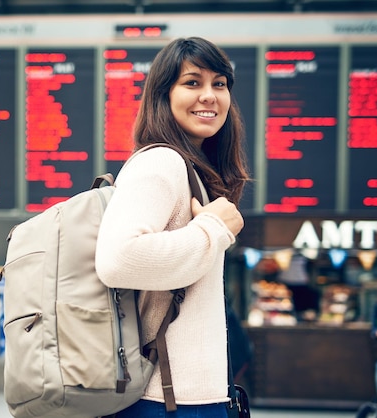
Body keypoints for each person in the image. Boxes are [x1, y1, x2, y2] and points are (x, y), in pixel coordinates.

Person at [95, 36, 250, 417]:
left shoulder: (191, 167)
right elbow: (117, 259)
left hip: (183, 394)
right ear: (163, 95)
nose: (210, 95)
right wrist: (214, 229)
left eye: (219, 83)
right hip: (166, 398)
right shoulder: (161, 162)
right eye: (192, 82)